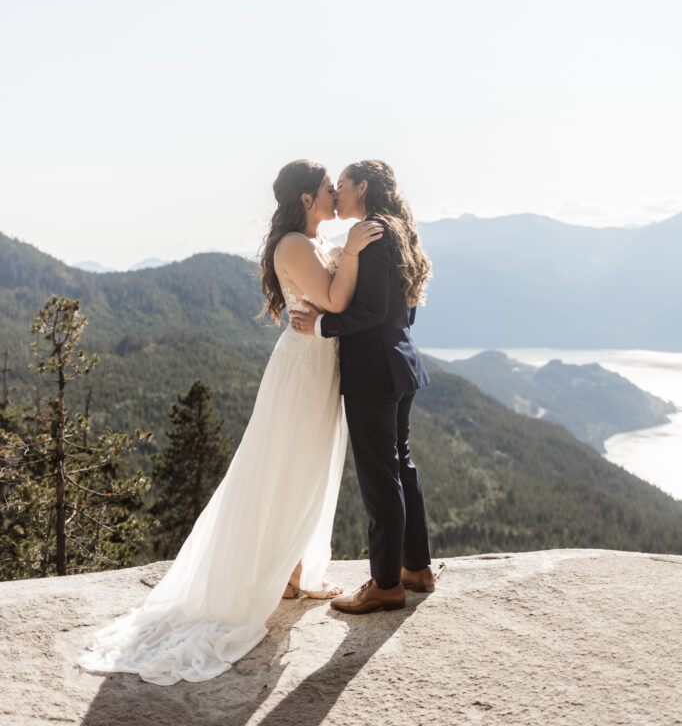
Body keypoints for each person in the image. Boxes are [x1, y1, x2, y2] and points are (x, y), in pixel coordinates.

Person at [76, 159, 383, 685]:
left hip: (318, 362)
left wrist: (346, 253)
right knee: (290, 464)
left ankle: (294, 572)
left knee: (309, 466)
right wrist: (352, 252)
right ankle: (280, 574)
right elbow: (332, 300)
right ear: (308, 199)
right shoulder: (294, 244)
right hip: (303, 369)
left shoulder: (312, 243)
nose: (335, 194)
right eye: (327, 189)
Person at [291, 159, 434, 613]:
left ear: (364, 187)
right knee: (401, 466)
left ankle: (385, 583)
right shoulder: (396, 229)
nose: (338, 194)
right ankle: (416, 568)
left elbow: (369, 311)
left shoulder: (372, 233)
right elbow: (401, 308)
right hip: (401, 362)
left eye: (344, 186)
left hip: (373, 369)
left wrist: (320, 326)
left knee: (379, 475)